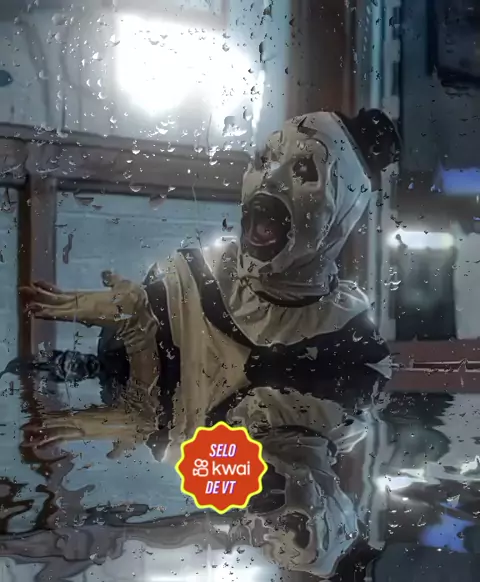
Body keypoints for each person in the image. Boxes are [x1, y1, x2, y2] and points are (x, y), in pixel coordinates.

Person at [17, 108, 401, 579]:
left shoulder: (353, 344)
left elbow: (164, 444)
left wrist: (87, 429)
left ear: (342, 213)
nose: (270, 179)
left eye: (303, 170)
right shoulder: (199, 280)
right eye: (265, 159)